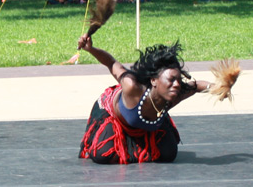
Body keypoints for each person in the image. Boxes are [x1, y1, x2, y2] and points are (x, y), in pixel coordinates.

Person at [77, 36, 214, 164]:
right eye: (171, 80)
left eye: (178, 80)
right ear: (154, 80)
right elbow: (112, 63)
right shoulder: (132, 87)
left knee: (169, 154)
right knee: (102, 155)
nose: (177, 84)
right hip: (114, 117)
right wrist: (90, 49)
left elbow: (197, 86)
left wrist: (219, 87)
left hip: (148, 122)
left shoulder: (174, 94)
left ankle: (140, 141)